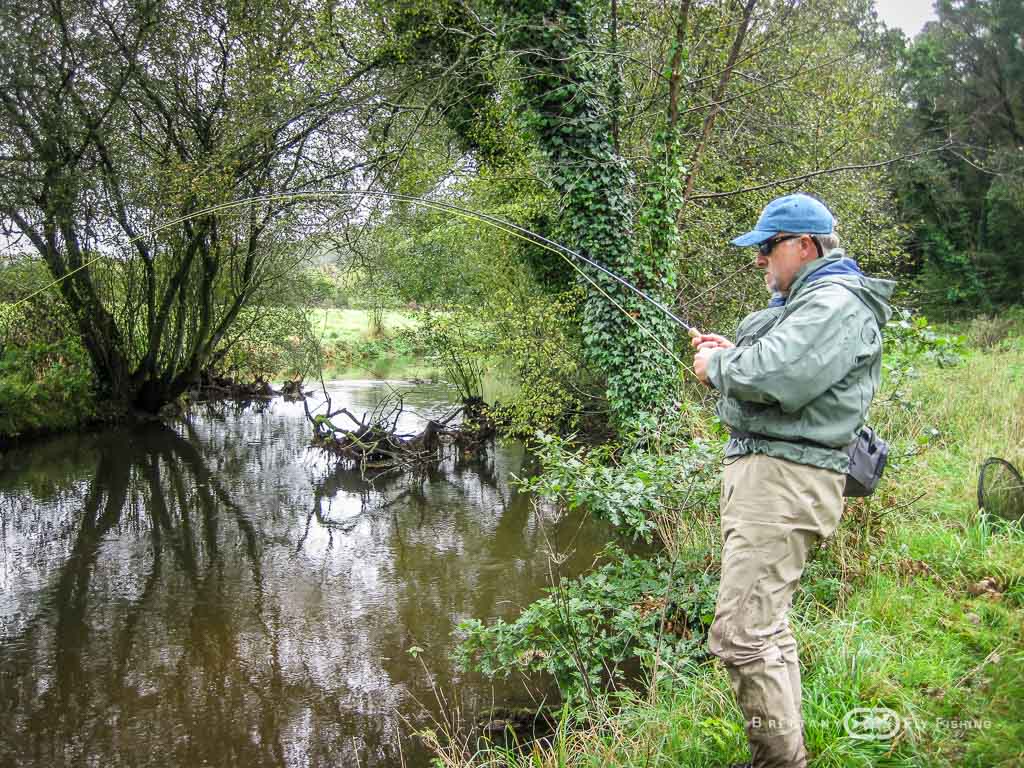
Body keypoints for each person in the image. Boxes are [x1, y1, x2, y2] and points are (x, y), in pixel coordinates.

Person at [690, 193, 894, 768]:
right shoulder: (815, 302)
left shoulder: (834, 301)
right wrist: (735, 355)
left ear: (804, 246)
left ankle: (782, 763)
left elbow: (784, 374)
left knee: (741, 637)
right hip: (774, 480)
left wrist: (722, 367)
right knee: (766, 628)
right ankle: (787, 753)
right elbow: (787, 362)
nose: (759, 261)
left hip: (785, 483)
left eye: (766, 248)